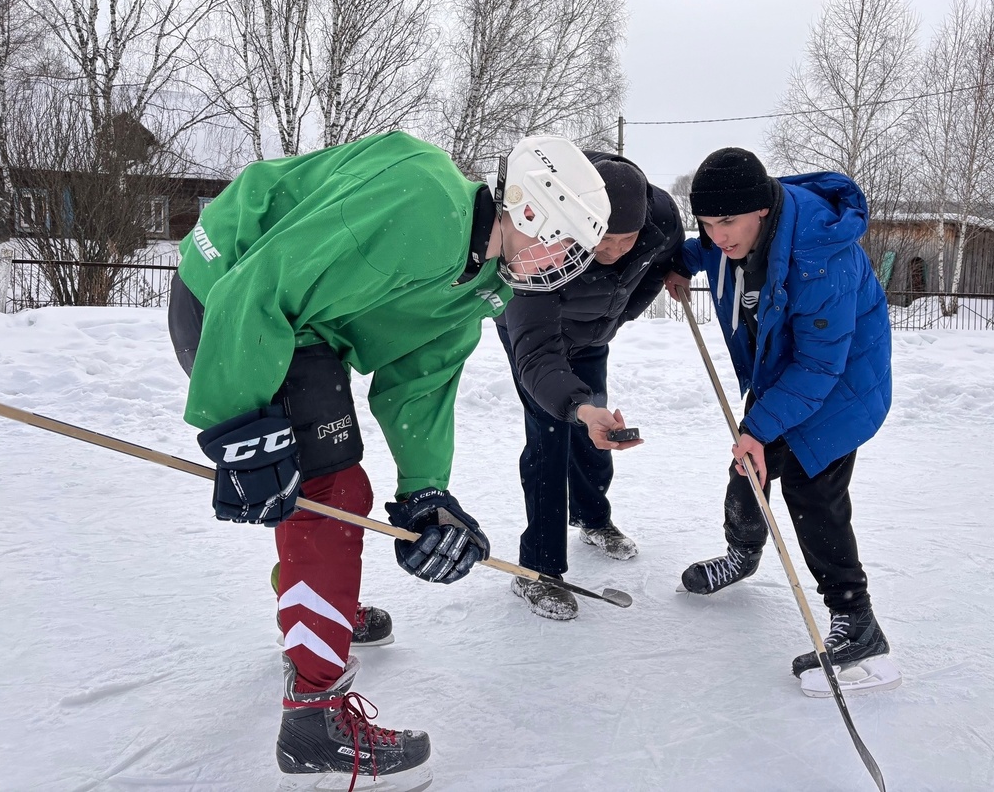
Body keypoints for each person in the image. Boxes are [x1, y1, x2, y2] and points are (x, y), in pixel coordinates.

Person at [168, 131, 610, 790]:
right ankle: (314, 717)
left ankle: (317, 611)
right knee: (333, 486)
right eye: (564, 242)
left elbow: (420, 384)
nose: (563, 264)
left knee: (326, 480)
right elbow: (260, 280)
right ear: (529, 209)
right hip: (229, 302)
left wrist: (427, 492)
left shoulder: (482, 282)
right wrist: (238, 426)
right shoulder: (423, 201)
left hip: (295, 327)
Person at [664, 147, 894, 686]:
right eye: (707, 223)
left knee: (814, 494)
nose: (718, 235)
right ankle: (742, 554)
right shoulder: (743, 230)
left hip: (839, 388)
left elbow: (820, 365)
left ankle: (856, 620)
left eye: (727, 223)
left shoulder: (822, 254)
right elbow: (710, 250)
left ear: (761, 211)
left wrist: (758, 428)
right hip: (782, 374)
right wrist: (682, 262)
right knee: (749, 467)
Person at [496, 152, 684, 620]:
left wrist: (621, 314)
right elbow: (538, 355)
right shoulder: (539, 242)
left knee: (596, 425)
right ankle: (537, 569)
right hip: (538, 337)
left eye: (628, 239)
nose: (617, 249)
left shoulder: (659, 219)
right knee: (550, 434)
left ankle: (592, 517)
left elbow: (663, 260)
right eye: (605, 238)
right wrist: (573, 403)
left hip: (595, 331)